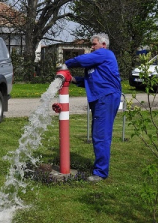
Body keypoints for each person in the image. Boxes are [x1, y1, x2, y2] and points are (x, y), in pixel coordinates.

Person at [64, 33, 122, 182]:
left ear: (103, 44)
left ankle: (101, 172)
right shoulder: (98, 62)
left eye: (94, 44)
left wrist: (67, 64)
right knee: (99, 134)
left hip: (106, 97)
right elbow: (91, 80)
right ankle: (100, 169)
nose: (92, 47)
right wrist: (75, 80)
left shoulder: (105, 53)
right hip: (101, 98)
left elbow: (82, 60)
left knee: (101, 135)